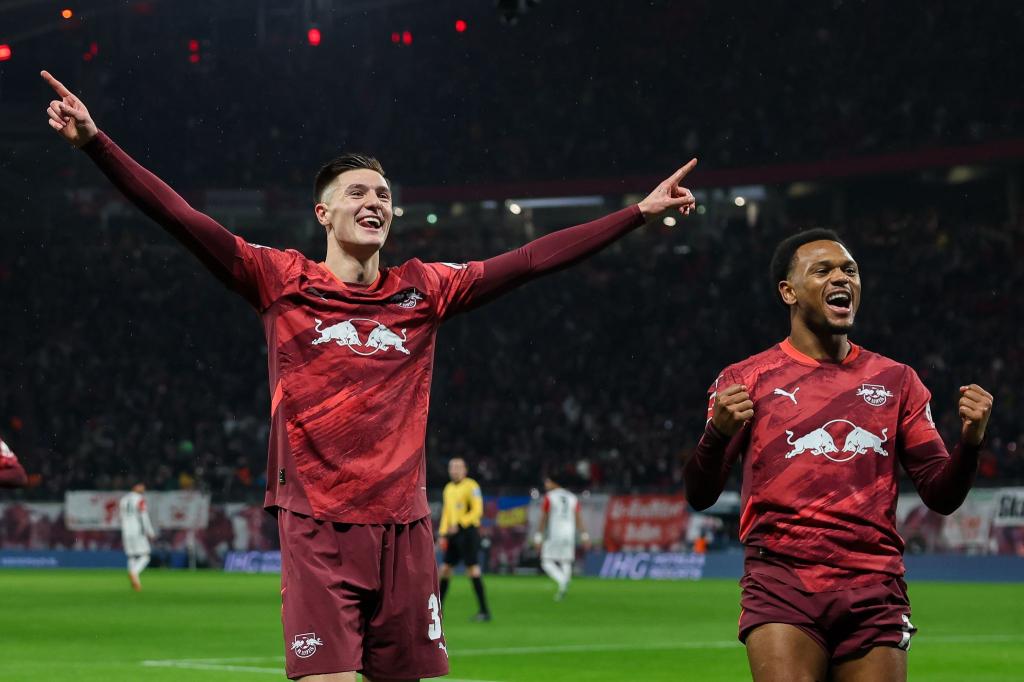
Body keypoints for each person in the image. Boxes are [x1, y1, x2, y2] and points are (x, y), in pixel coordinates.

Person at [42, 70, 698, 682]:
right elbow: (181, 219)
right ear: (322, 214)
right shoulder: (280, 279)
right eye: (357, 192)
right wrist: (97, 143)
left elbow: (528, 260)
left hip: (406, 529)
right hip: (318, 525)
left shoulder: (426, 290)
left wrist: (635, 215)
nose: (374, 201)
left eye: (383, 194)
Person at [684, 228, 993, 682]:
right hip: (782, 581)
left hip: (873, 585)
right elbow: (699, 493)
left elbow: (940, 495)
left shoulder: (897, 380)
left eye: (850, 269)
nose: (841, 278)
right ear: (788, 292)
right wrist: (716, 435)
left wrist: (970, 443)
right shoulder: (746, 379)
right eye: (823, 270)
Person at [437, 458, 490, 621]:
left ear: (465, 470)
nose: (454, 470)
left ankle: (484, 611)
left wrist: (460, 523)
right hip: (453, 535)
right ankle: (438, 611)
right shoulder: (448, 488)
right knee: (445, 570)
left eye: (458, 467)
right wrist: (442, 533)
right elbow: (446, 512)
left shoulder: (471, 486)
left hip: (468, 533)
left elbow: (477, 511)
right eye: (452, 467)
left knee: (472, 569)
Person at [534, 475, 589, 600]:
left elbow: (544, 518)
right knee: (566, 561)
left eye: (548, 482)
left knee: (546, 561)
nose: (546, 485)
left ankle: (562, 581)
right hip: (569, 533)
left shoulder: (550, 497)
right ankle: (564, 587)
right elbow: (578, 518)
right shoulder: (572, 498)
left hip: (555, 533)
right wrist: (584, 535)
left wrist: (538, 537)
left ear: (555, 483)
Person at [119, 482, 156, 591]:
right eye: (141, 486)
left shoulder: (124, 499)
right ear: (135, 487)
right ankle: (134, 572)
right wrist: (150, 531)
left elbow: (121, 516)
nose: (143, 488)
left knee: (132, 556)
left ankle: (136, 583)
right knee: (146, 555)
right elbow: (144, 516)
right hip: (137, 530)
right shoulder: (140, 499)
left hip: (126, 530)